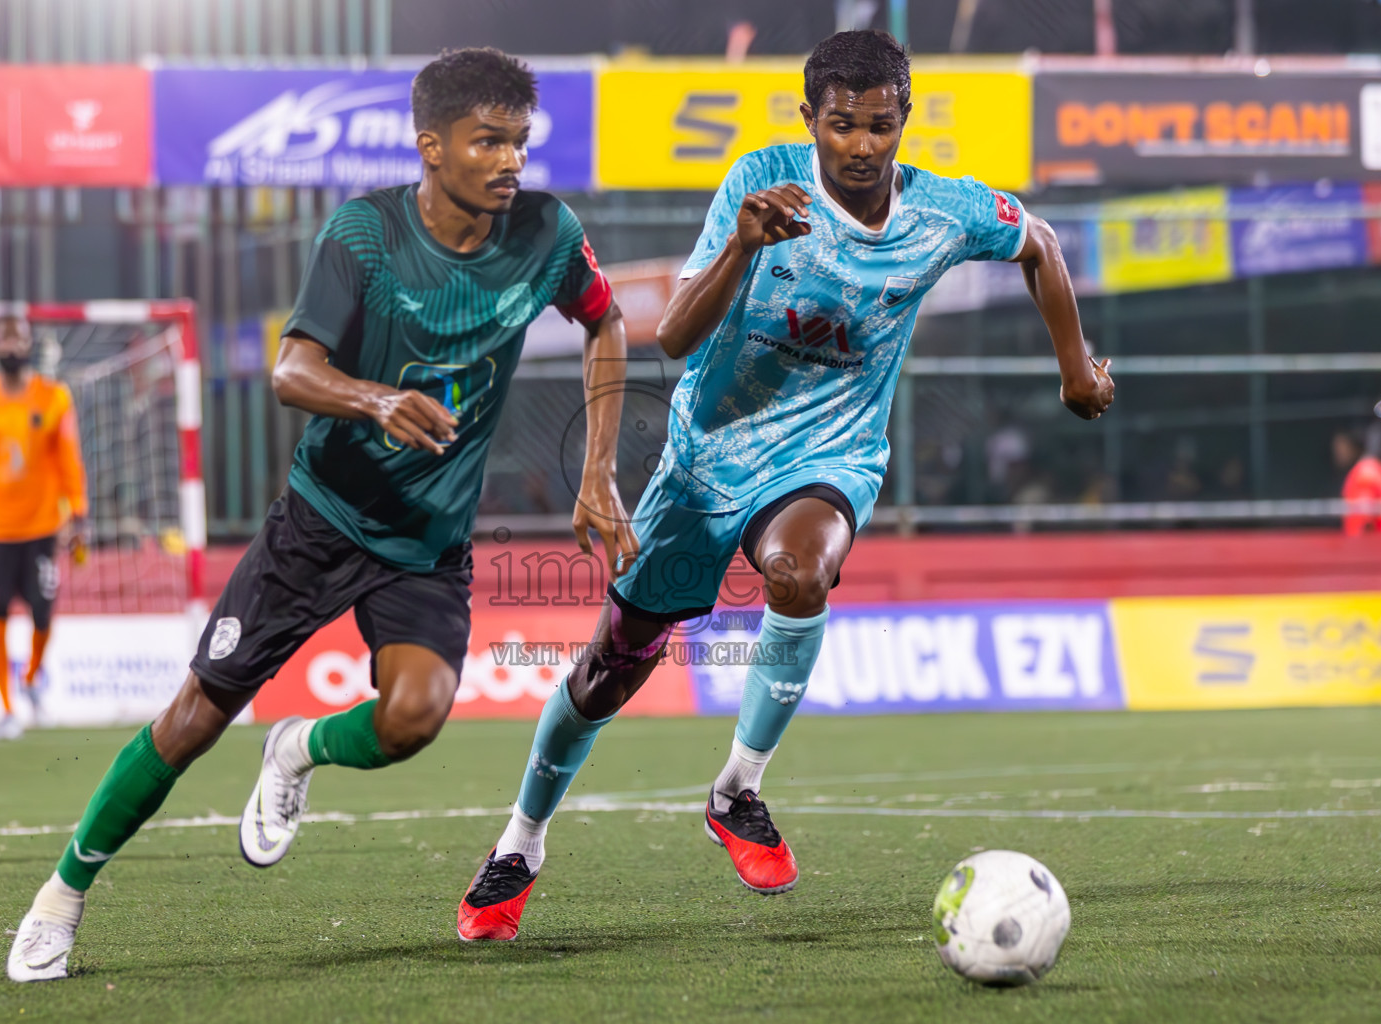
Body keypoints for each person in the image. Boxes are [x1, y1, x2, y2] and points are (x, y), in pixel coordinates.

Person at [457, 29, 1114, 942]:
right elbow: (677, 338)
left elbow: (1037, 240)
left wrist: (1074, 368)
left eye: (881, 126)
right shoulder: (760, 183)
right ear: (811, 120)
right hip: (709, 456)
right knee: (612, 666)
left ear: (903, 120)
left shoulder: (943, 212)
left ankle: (738, 790)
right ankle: (521, 842)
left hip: (832, 455)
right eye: (842, 125)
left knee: (798, 572)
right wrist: (740, 245)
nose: (862, 146)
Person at [6, 47, 635, 983]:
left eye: (520, 142)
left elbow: (606, 321)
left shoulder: (547, 234)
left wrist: (598, 472)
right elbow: (291, 369)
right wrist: (380, 400)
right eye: (488, 141)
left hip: (426, 546)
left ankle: (297, 746)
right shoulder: (366, 233)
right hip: (321, 519)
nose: (510, 161)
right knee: (190, 720)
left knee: (414, 718)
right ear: (432, 146)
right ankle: (60, 898)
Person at [0, 314, 88, 742]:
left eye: (18, 339)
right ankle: (7, 709)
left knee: (43, 614)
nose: (11, 348)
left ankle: (31, 677)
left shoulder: (54, 398)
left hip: (44, 526)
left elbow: (69, 459)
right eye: (2, 341)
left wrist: (78, 512)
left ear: (30, 344)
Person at [1334, 429, 1381, 536]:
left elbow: (1365, 517)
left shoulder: (1364, 472)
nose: (1338, 452)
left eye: (1342, 447)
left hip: (1375, 545)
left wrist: (1362, 549)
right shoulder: (1376, 469)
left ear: (1353, 447)